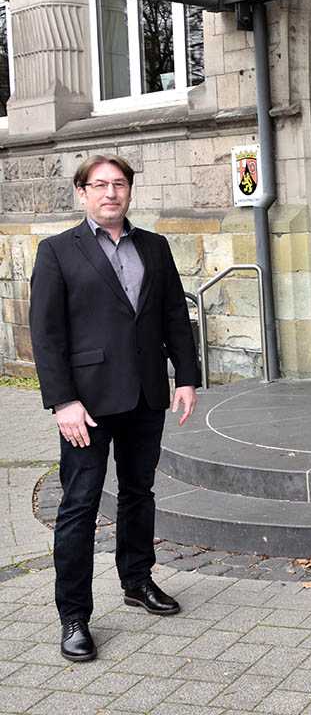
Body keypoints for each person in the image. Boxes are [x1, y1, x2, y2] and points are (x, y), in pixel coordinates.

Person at [29, 154, 200, 663]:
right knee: (79, 505)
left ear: (129, 191)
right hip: (87, 404)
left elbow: (174, 315)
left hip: (146, 394)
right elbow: (47, 334)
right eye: (99, 185)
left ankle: (137, 580)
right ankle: (74, 616)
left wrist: (186, 378)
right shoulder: (58, 251)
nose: (111, 193)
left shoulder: (154, 245)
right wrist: (63, 401)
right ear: (82, 193)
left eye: (119, 184)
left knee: (138, 492)